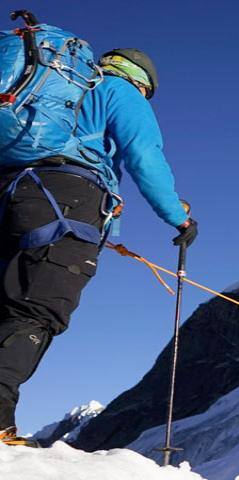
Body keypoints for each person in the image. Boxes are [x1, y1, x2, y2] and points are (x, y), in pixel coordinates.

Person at [0, 48, 198, 446]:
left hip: (10, 191)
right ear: (143, 82)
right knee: (38, 308)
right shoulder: (120, 92)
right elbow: (144, 155)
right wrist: (179, 217)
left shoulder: (48, 91)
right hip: (67, 200)